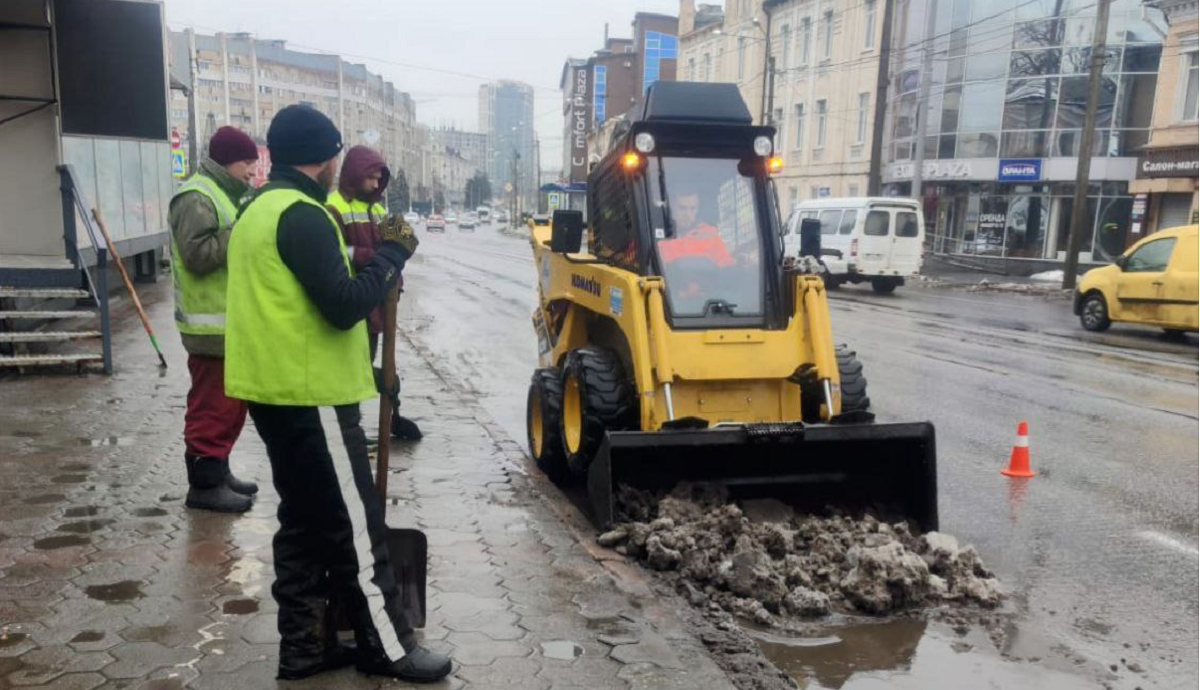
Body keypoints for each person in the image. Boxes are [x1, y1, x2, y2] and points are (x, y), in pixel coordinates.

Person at [224, 104, 452, 683]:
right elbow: (345, 304)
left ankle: (303, 648)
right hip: (313, 397)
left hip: (273, 391)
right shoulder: (302, 215)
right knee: (357, 527)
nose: (336, 164)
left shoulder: (257, 209)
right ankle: (391, 649)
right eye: (334, 154)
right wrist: (394, 254)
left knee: (302, 523)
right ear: (323, 157)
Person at [168, 125, 261, 513]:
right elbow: (198, 254)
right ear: (227, 161)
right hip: (208, 327)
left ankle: (218, 471)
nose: (253, 171)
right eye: (247, 163)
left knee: (231, 405)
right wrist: (241, 231)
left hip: (227, 325)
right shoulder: (196, 196)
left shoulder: (223, 193)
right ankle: (204, 485)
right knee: (212, 406)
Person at [325, 146, 422, 441]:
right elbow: (337, 252)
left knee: (362, 366)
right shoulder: (334, 207)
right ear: (355, 174)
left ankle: (381, 404)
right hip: (352, 301)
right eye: (371, 178)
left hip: (378, 304)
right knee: (354, 371)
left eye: (380, 179)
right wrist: (374, 257)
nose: (375, 184)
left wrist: (396, 278)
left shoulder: (379, 210)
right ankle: (352, 431)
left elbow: (400, 249)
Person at [658, 190, 735, 267]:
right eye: (682, 208)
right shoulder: (658, 235)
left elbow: (727, 266)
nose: (688, 214)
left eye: (693, 208)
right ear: (671, 209)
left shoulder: (709, 234)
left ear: (698, 210)